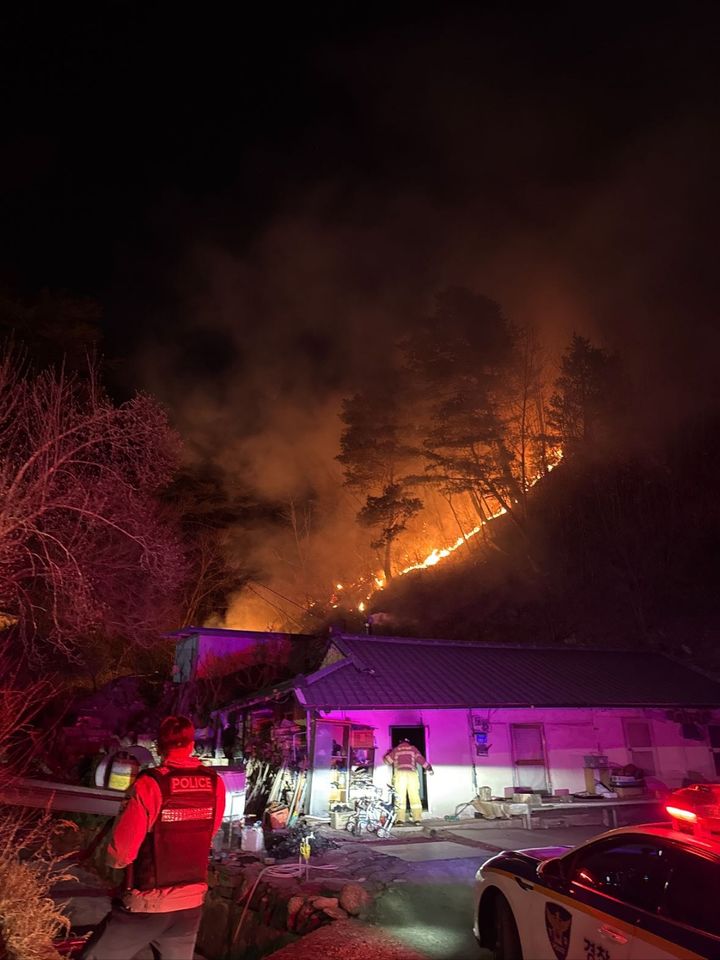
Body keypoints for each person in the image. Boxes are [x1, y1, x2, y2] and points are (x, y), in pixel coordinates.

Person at [82, 715, 226, 960]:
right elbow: (209, 832)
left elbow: (121, 854)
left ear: (159, 747)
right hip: (190, 904)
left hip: (148, 903)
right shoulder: (215, 783)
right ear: (192, 745)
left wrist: (113, 864)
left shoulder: (151, 784)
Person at [383, 737, 433, 825]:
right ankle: (417, 819)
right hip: (412, 774)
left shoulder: (397, 750)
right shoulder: (413, 749)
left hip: (400, 775)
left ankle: (400, 820)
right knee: (414, 796)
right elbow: (421, 760)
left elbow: (387, 761)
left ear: (400, 742)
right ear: (408, 742)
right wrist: (428, 768)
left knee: (400, 797)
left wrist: (387, 753)